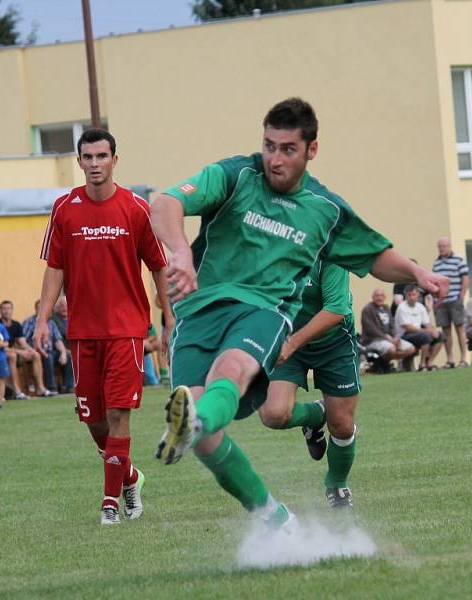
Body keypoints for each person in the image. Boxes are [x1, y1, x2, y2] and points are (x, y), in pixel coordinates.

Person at [150, 98, 449, 529]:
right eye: (269, 145)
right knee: (205, 438)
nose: (274, 158)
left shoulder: (325, 210)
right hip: (197, 308)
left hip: (264, 310)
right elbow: (165, 204)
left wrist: (418, 272)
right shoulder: (236, 175)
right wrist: (180, 252)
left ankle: (193, 421)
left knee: (232, 367)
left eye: (287, 148)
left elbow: (375, 255)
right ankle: (275, 517)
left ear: (312, 149)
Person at [34, 127, 172, 525]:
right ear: (79, 162)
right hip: (82, 331)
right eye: (88, 157)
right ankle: (129, 475)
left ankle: (111, 503)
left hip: (127, 329)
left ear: (115, 159)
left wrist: (167, 319)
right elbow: (54, 267)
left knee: (117, 414)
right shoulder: (65, 208)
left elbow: (159, 267)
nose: (95, 164)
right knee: (93, 420)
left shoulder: (135, 207)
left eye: (101, 156)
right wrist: (42, 320)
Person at [258, 262, 361, 508]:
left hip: (334, 342)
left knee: (343, 426)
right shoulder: (271, 246)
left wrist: (292, 343)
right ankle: (316, 417)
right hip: (287, 338)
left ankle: (336, 483)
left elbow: (336, 310)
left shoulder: (330, 252)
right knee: (273, 414)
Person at [0, 299, 54, 399]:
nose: (7, 311)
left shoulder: (16, 325)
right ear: (0, 311)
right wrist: (20, 351)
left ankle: (40, 388)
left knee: (36, 355)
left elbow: (22, 343)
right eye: (4, 309)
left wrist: (31, 350)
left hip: (13, 351)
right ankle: (17, 391)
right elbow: (0, 346)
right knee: (13, 356)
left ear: (12, 310)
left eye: (9, 308)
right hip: (1, 353)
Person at [432, 237, 469, 368]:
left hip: (455, 299)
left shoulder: (459, 260)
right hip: (442, 302)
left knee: (460, 329)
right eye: (439, 246)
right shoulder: (436, 264)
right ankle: (450, 359)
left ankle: (464, 358)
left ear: (449, 246)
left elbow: (465, 279)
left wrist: (462, 296)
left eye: (444, 246)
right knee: (446, 330)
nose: (442, 249)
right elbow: (435, 282)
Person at [395, 285, 445, 370]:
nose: (411, 297)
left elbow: (427, 323)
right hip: (404, 335)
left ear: (418, 295)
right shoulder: (402, 307)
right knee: (425, 337)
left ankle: (430, 362)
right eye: (409, 295)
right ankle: (422, 365)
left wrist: (433, 330)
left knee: (440, 336)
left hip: (418, 332)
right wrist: (426, 331)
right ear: (405, 296)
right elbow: (408, 327)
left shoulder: (420, 307)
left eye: (413, 295)